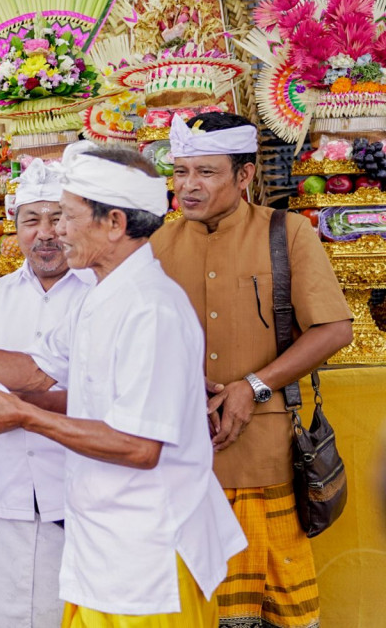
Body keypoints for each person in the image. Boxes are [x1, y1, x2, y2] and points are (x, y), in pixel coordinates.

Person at [0, 143, 247, 627]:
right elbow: (37, 371)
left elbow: (139, 447)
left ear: (113, 223)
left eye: (66, 216)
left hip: (150, 553)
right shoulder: (104, 294)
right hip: (105, 542)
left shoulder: (150, 309)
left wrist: (26, 416)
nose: (56, 232)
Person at [151, 113, 354, 628]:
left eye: (206, 173)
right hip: (181, 459)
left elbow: (333, 329)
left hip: (265, 459)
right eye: (180, 173)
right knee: (191, 608)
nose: (188, 187)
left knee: (276, 611)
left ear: (244, 176)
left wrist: (255, 386)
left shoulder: (289, 233)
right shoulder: (155, 247)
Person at [0, 158, 93, 627]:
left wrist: (18, 405)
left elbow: (105, 397)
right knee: (8, 613)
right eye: (31, 220)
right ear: (13, 229)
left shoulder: (99, 291)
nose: (45, 232)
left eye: (57, 218)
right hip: (9, 490)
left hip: (81, 493)